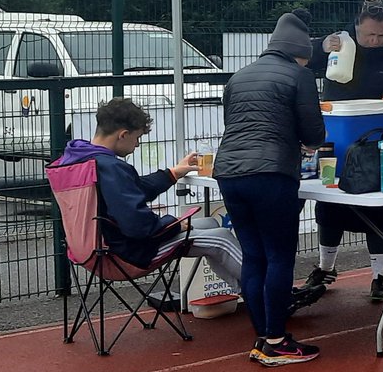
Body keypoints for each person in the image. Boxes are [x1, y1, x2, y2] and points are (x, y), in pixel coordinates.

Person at [214, 8, 328, 367]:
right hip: (271, 173)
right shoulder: (300, 75)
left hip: (229, 173)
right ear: (301, 52)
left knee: (254, 255)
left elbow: (236, 124)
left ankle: (263, 336)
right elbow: (314, 136)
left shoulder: (238, 77)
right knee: (279, 255)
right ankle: (277, 341)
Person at [54, 96, 244, 294]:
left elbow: (132, 190)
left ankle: (247, 292)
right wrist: (174, 224)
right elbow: (138, 225)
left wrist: (173, 173)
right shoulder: (110, 167)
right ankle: (267, 292)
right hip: (127, 253)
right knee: (220, 238)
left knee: (210, 224)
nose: (136, 145)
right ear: (123, 135)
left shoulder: (78, 160)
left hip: (91, 250)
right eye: (137, 138)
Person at [304, 0, 383, 302]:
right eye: (368, 34)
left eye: (381, 35)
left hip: (377, 144)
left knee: (381, 206)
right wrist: (321, 46)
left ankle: (379, 275)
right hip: (337, 139)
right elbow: (302, 60)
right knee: (329, 202)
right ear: (356, 27)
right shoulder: (339, 44)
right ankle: (324, 266)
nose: (374, 40)